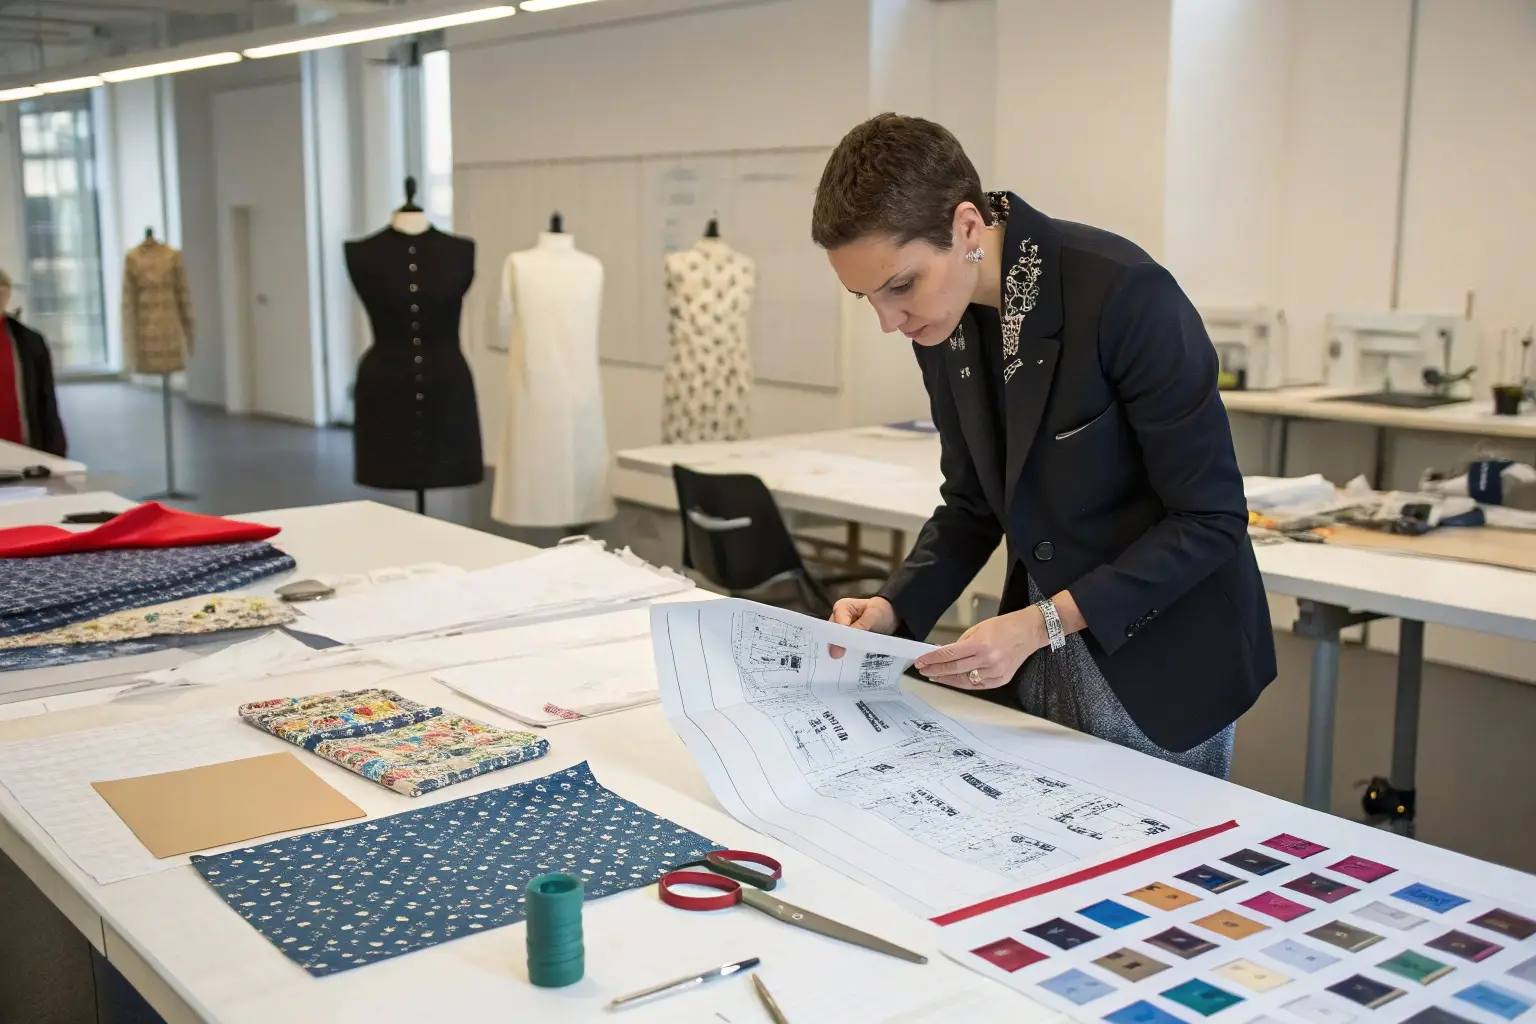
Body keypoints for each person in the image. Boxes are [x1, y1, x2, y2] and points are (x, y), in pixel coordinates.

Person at [811, 114, 1274, 778]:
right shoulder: (946, 324)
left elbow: (1211, 518)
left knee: (1143, 865)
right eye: (866, 298)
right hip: (1034, 646)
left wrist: (1042, 624)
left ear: (967, 228)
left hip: (1160, 649)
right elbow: (972, 503)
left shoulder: (1123, 294)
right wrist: (894, 607)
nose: (889, 321)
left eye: (900, 286)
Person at [0, 269, 67, 457]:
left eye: (1, 296)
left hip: (24, 449)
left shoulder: (29, 342)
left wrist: (55, 452)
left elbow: (46, 401)